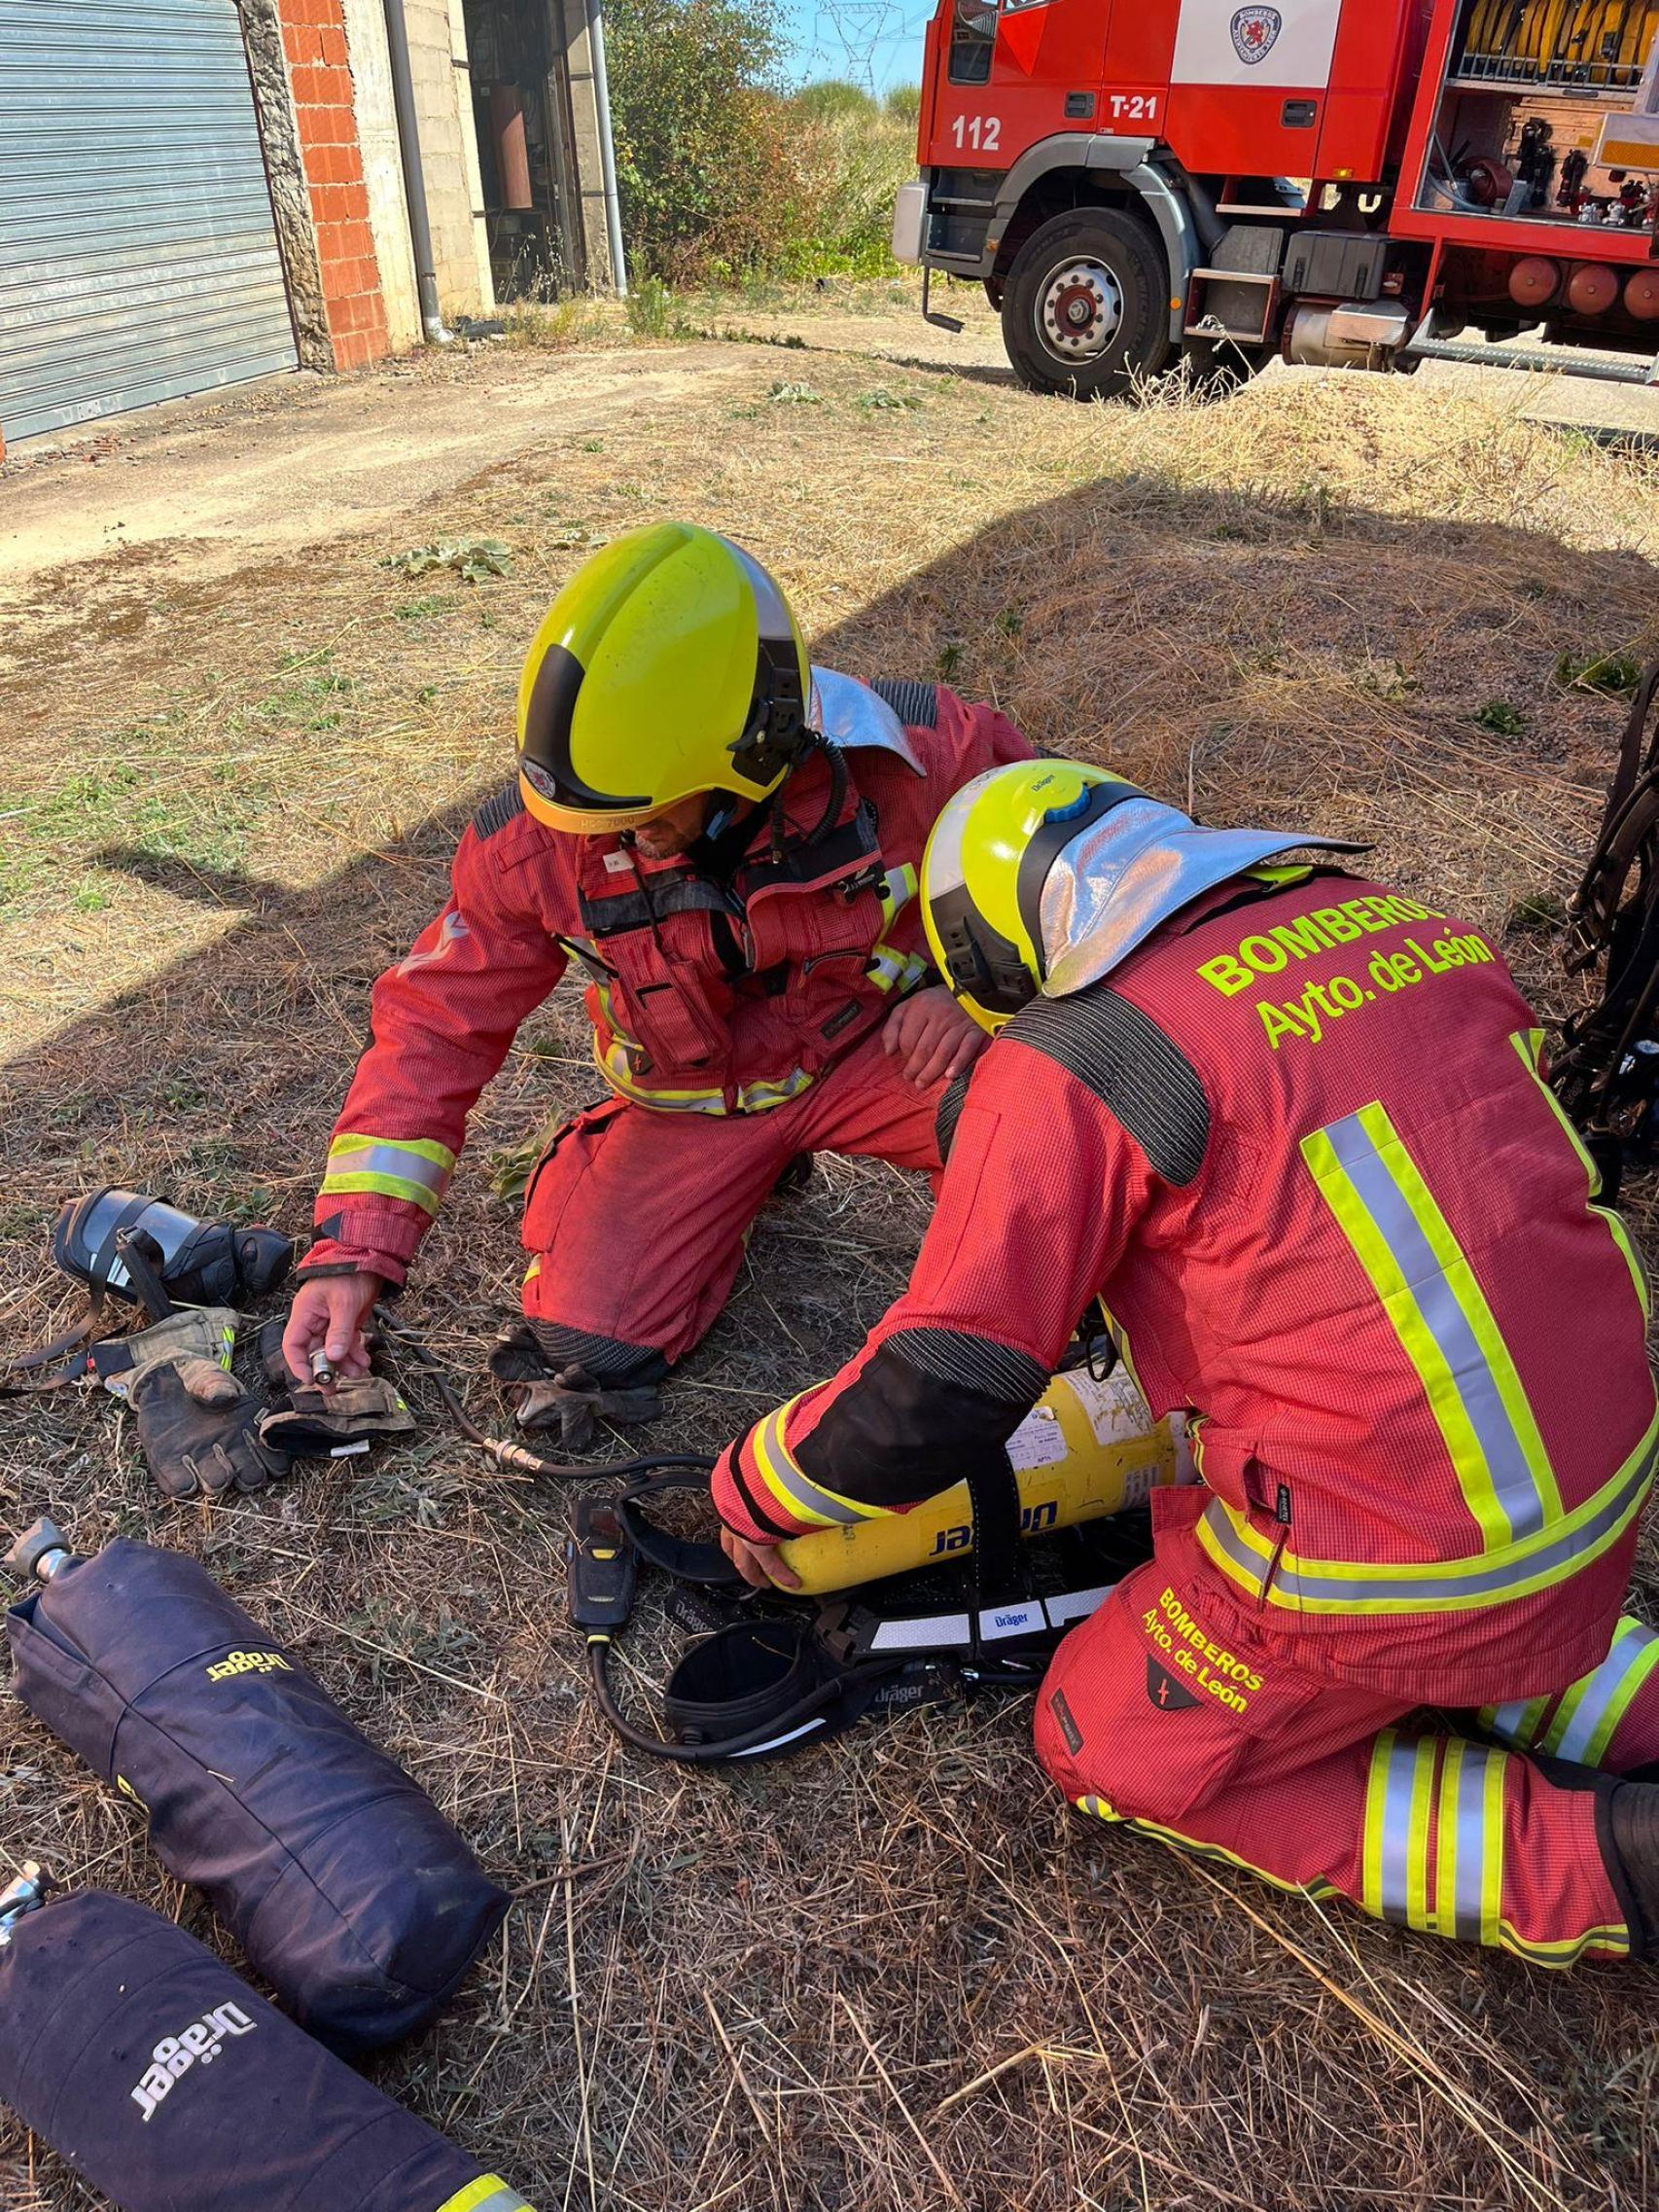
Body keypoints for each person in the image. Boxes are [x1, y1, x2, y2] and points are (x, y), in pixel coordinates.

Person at [711, 756, 1659, 1969]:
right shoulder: (1400, 927)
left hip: (1384, 1554)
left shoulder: (1073, 1058)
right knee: (1474, 1596)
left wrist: (757, 1486)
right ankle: (1599, 1684)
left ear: (995, 957)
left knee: (1098, 1735)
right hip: (1593, 1478)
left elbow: (940, 1382)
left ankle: (1597, 1863)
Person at [280, 524, 1030, 1427]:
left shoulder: (924, 757)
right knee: (589, 1345)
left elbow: (1093, 880)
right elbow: (435, 1027)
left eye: (639, 820)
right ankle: (709, 1184)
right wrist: (353, 1254)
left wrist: (979, 996)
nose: (605, 843)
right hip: (698, 1103)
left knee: (1039, 1120)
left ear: (752, 754)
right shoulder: (546, 836)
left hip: (891, 1055)